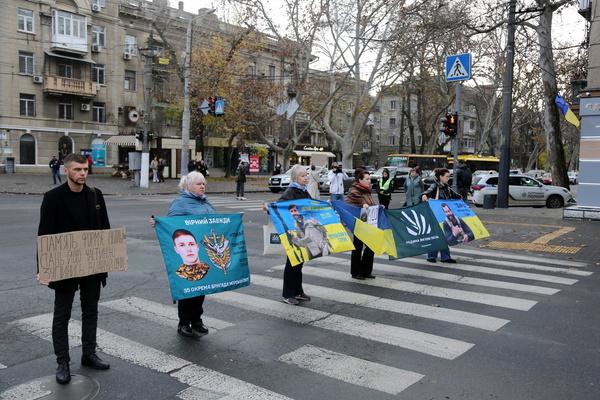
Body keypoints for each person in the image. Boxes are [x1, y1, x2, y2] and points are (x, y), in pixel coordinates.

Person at [37, 153, 112, 385]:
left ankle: (88, 354)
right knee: (62, 315)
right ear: (66, 171)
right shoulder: (53, 197)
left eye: (85, 169)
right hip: (64, 265)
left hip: (92, 265)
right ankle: (63, 362)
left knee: (91, 311)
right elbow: (44, 234)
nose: (82, 173)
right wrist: (43, 268)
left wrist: (112, 258)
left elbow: (105, 230)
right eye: (78, 169)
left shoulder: (95, 194)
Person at [150, 172, 214, 337]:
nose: (202, 187)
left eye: (203, 184)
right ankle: (184, 323)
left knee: (201, 289)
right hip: (187, 255)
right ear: (188, 186)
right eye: (199, 184)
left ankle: (197, 321)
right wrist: (159, 223)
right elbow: (172, 225)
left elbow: (215, 222)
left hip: (203, 252)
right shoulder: (180, 203)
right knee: (188, 290)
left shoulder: (206, 202)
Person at [262, 164, 312, 305]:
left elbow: (311, 205)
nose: (306, 178)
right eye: (302, 176)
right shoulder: (291, 191)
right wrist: (269, 208)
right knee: (292, 263)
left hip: (301, 231)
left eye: (306, 175)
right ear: (295, 178)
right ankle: (288, 294)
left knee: (299, 262)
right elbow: (280, 206)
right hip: (292, 232)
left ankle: (298, 291)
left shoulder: (303, 191)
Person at [421, 168, 462, 263]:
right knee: (437, 236)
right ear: (441, 177)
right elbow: (427, 192)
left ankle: (444, 257)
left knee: (444, 236)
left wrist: (459, 197)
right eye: (447, 176)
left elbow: (455, 195)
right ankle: (432, 256)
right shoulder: (435, 186)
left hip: (444, 216)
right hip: (435, 215)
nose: (449, 178)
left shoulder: (447, 187)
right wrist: (424, 195)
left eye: (449, 176)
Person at [345, 168, 376, 280]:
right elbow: (347, 206)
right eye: (367, 179)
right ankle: (356, 272)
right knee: (358, 247)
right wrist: (362, 206)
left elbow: (370, 204)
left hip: (368, 223)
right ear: (360, 180)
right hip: (358, 223)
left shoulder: (367, 190)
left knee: (371, 246)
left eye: (370, 179)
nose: (369, 181)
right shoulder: (355, 191)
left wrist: (377, 207)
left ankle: (366, 271)